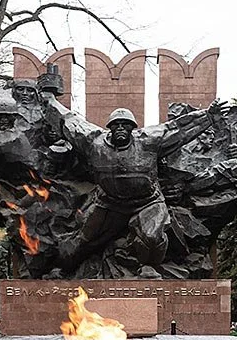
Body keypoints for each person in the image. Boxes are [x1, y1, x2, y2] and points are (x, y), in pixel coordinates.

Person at [47, 96, 227, 272]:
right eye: (116, 125)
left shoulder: (149, 141)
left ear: (132, 128)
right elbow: (69, 121)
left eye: (125, 125)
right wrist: (50, 100)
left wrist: (208, 117)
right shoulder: (94, 142)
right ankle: (61, 268)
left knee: (152, 236)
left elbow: (177, 129)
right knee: (83, 239)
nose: (120, 128)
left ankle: (148, 267)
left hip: (147, 202)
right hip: (109, 203)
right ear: (109, 128)